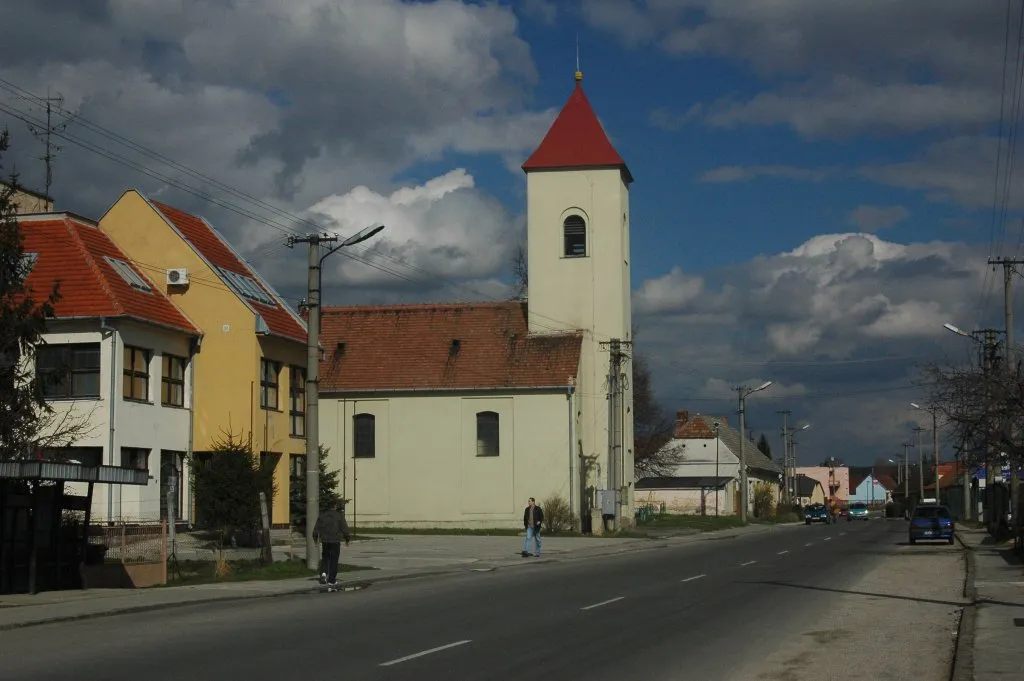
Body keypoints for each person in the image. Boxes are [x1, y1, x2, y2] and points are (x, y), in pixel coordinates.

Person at [313, 501, 351, 591]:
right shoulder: (339, 516)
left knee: (325, 557)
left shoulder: (322, 515)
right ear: (334, 506)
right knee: (334, 560)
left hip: (325, 540)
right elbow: (344, 528)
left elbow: (316, 529)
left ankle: (323, 573)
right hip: (335, 541)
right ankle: (332, 580)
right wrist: (347, 539)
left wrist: (315, 540)